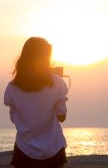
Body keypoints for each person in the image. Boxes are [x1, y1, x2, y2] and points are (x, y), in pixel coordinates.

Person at [4, 37, 68, 168]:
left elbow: (14, 118)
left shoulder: (12, 88)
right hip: (53, 148)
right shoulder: (56, 83)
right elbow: (62, 117)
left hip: (24, 149)